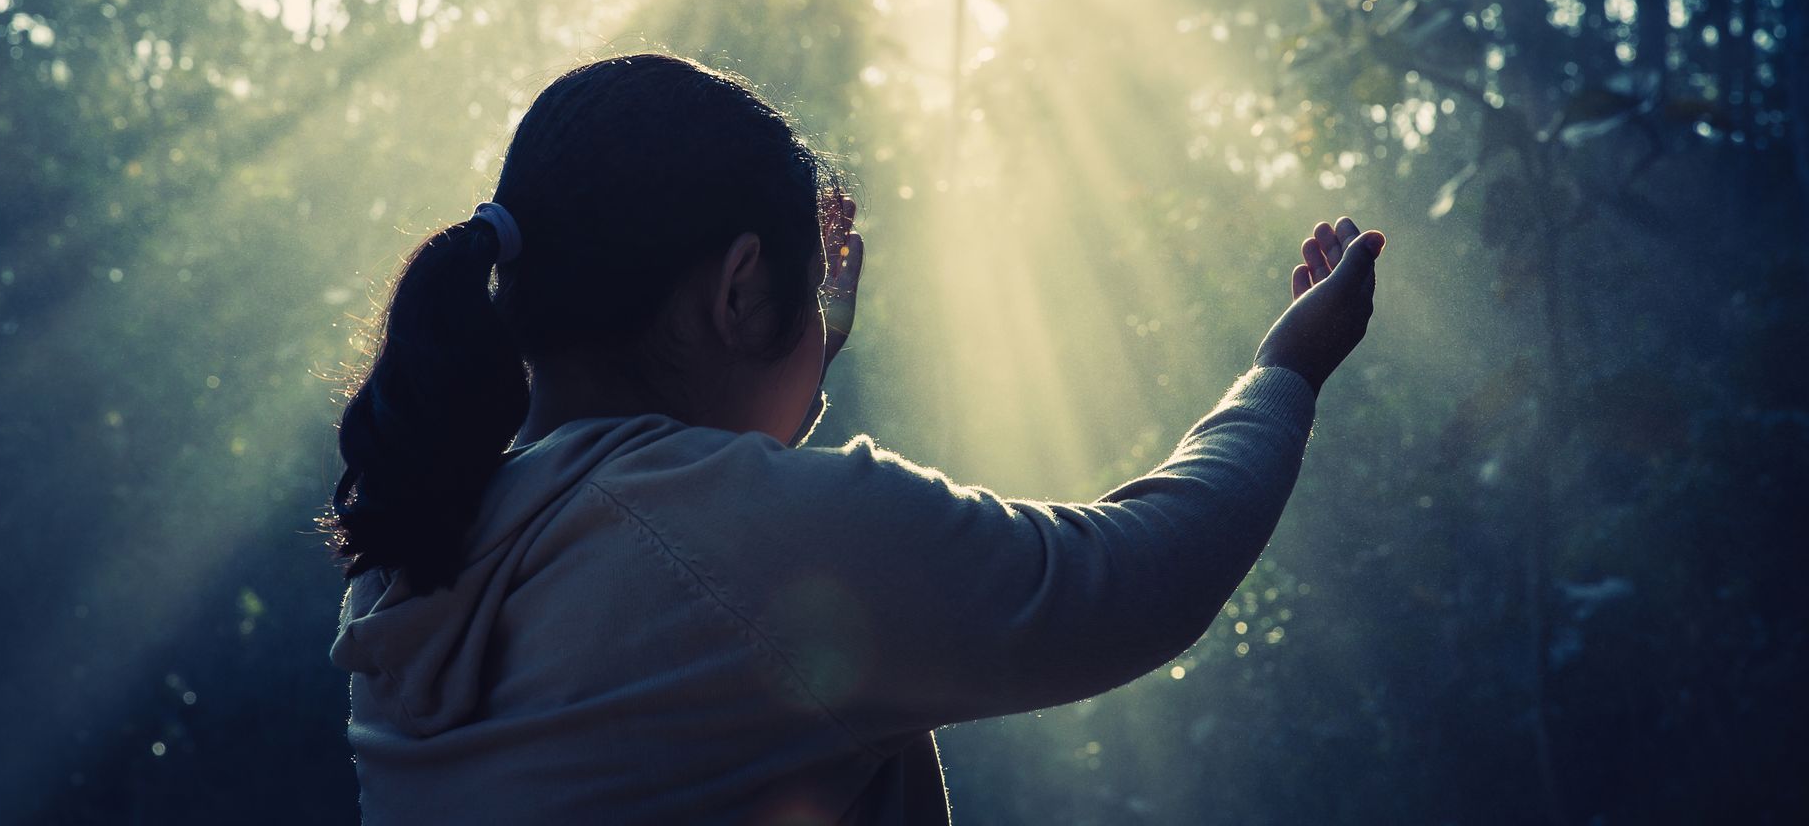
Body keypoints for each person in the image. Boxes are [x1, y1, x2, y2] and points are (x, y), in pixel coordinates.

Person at [323, 51, 1385, 825]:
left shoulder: (415, 557)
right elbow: (1135, 577)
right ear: (739, 288)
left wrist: (788, 365)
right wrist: (1285, 369)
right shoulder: (749, 544)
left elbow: (681, 557)